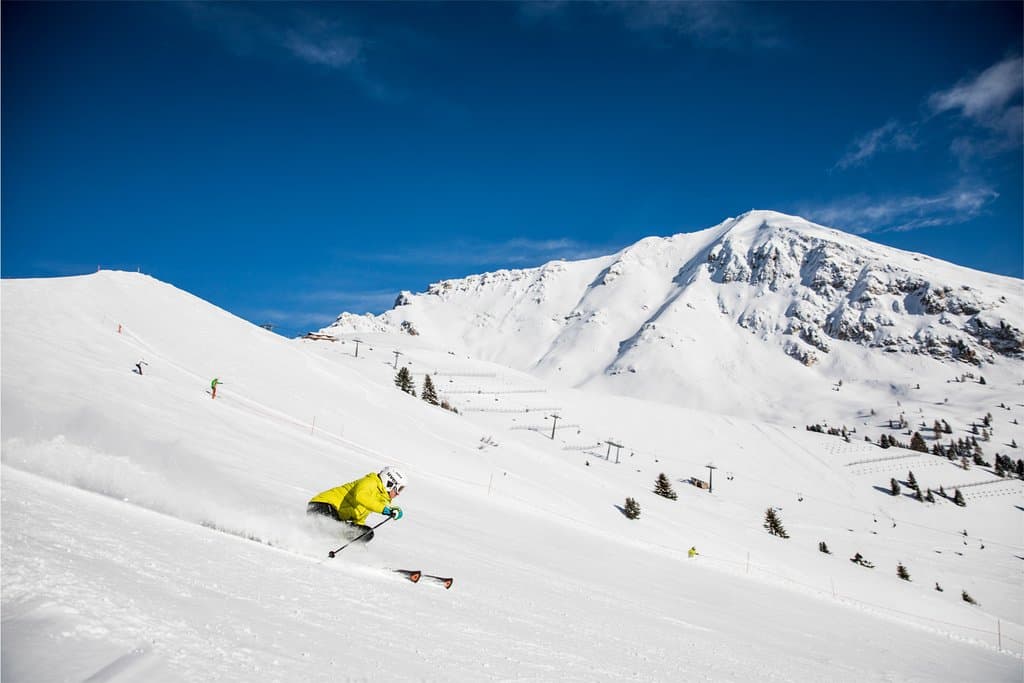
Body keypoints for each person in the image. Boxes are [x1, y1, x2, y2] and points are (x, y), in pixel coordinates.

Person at [307, 466, 407, 543]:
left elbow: (359, 519)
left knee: (366, 533)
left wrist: (359, 541)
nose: (398, 493)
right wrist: (385, 510)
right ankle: (319, 546)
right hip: (323, 506)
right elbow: (360, 497)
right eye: (399, 489)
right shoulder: (370, 482)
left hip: (334, 515)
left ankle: (344, 553)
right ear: (390, 483)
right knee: (332, 532)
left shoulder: (377, 498)